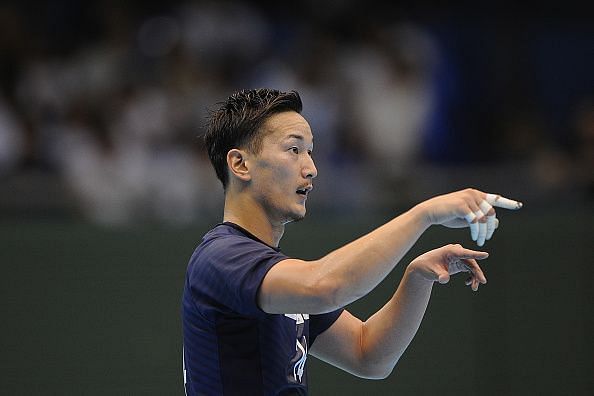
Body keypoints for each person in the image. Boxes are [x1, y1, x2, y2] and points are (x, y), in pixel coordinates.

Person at [181, 88, 522, 395]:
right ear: (240, 164)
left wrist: (417, 277)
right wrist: (423, 214)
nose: (311, 168)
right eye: (294, 149)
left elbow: (368, 355)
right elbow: (325, 286)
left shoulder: (271, 273)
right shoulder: (221, 257)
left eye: (310, 152)